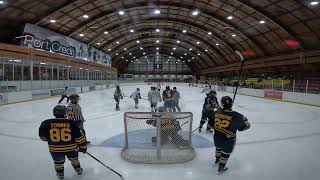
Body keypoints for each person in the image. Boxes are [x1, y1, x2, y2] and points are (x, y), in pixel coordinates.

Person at [39, 105, 87, 179]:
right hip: (71, 148)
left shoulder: (46, 123)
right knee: (74, 160)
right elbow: (79, 137)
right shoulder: (72, 123)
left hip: (55, 149)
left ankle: (60, 174)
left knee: (58, 163)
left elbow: (43, 138)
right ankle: (78, 169)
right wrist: (83, 146)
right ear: (65, 113)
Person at [208, 96, 251, 173]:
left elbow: (210, 125)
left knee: (218, 147)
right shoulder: (237, 115)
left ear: (222, 104)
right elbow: (247, 125)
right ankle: (221, 167)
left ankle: (217, 159)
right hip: (228, 139)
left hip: (217, 137)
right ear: (231, 104)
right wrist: (240, 128)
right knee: (226, 152)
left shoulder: (216, 113)